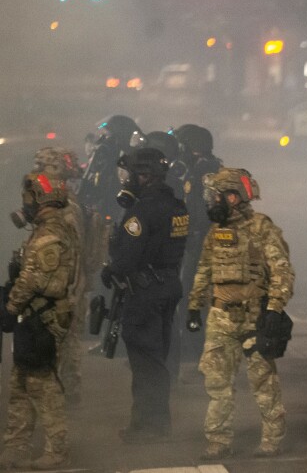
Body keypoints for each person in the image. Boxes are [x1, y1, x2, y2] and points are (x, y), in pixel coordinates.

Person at [185, 168, 294, 460]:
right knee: (217, 383)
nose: (212, 202)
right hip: (220, 317)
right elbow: (205, 268)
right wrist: (194, 305)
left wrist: (274, 309)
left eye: (217, 196)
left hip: (253, 317)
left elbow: (282, 272)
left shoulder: (261, 228)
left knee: (263, 381)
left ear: (233, 197)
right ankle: (218, 441)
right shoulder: (215, 232)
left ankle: (272, 438)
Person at [101, 147, 189, 443]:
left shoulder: (142, 211)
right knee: (157, 358)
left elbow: (128, 258)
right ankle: (148, 424)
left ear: (145, 175)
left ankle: (151, 428)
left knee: (146, 363)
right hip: (168, 286)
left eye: (130, 175)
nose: (126, 181)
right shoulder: (177, 205)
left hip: (146, 292)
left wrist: (111, 267)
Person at [0, 173, 79, 470]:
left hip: (43, 317)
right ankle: (17, 445)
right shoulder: (45, 229)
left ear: (40, 199)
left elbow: (34, 280)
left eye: (29, 197)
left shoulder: (49, 236)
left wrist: (10, 307)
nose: (25, 203)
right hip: (32, 315)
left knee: (42, 384)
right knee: (20, 382)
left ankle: (57, 450)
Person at [28, 148, 88, 406]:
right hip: (60, 281)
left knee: (66, 339)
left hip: (65, 283)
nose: (37, 173)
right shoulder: (54, 199)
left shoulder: (66, 204)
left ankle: (66, 391)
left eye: (43, 167)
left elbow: (73, 248)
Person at [172, 124, 222, 372]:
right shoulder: (206, 168)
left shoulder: (204, 173)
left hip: (202, 244)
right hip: (201, 242)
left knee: (195, 297)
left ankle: (197, 348)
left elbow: (199, 211)